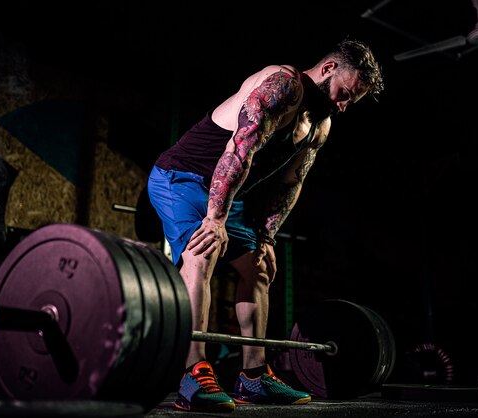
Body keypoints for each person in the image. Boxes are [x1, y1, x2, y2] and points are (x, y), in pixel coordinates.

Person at [147, 36, 384, 412]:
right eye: (344, 94)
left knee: (259, 266)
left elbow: (290, 183)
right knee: (203, 250)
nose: (343, 106)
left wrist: (266, 236)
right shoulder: (283, 86)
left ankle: (253, 378)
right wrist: (215, 219)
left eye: (350, 102)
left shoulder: (320, 123)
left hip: (226, 191)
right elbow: (238, 151)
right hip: (181, 178)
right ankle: (192, 373)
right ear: (328, 69)